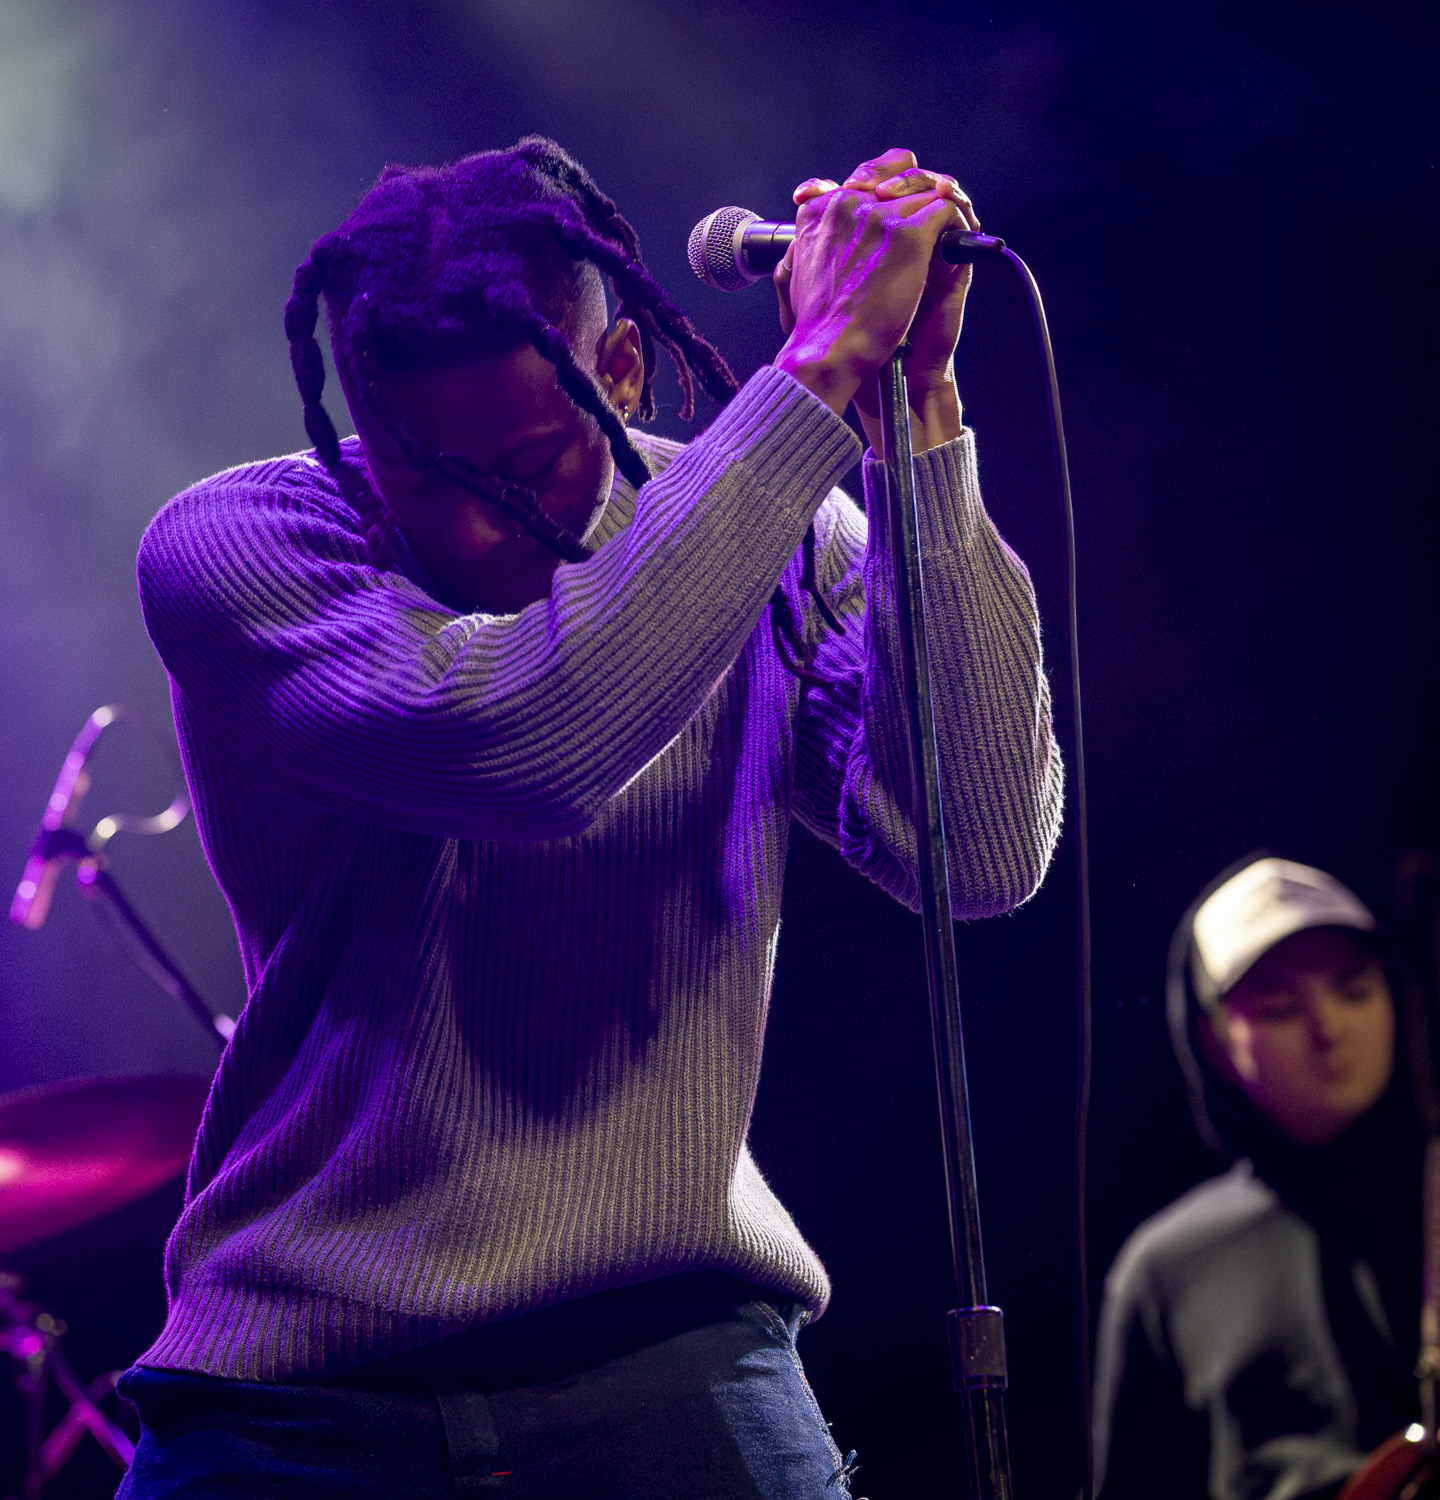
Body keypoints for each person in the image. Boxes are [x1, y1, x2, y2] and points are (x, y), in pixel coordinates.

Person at [122, 136, 1064, 1497]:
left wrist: (910, 407)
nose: (475, 529)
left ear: (620, 372)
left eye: (521, 466)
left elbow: (976, 849)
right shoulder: (240, 547)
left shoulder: (767, 525)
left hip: (673, 1361)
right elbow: (527, 746)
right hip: (300, 1400)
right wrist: (812, 375)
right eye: (422, 474)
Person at [1094, 855, 1425, 1498]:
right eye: (1278, 1007)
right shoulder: (1164, 1268)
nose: (1329, 1029)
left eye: (1355, 991)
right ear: (1213, 1041)